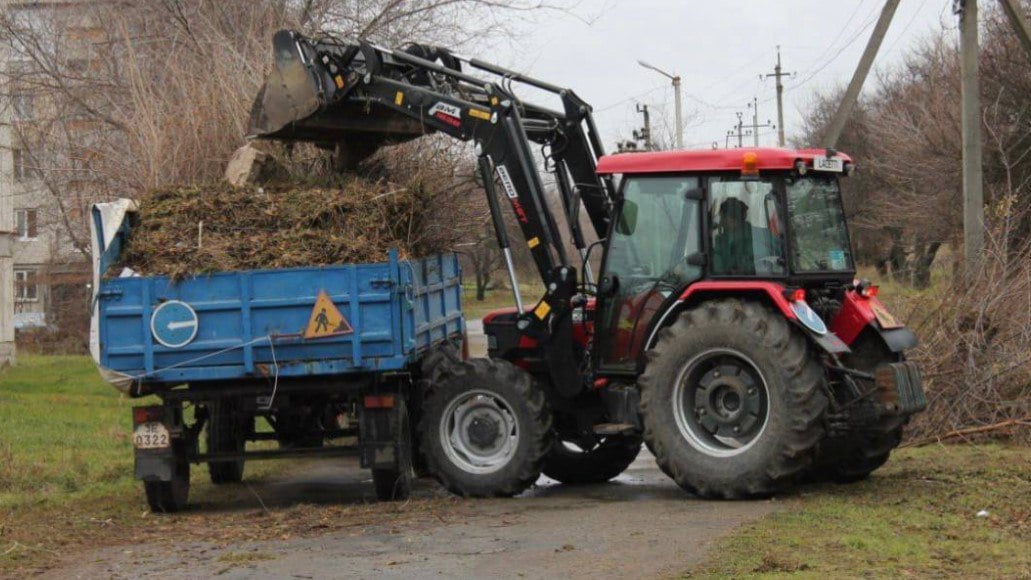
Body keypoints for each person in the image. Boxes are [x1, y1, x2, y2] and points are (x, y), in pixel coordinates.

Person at [712, 197, 756, 275]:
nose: (720, 222)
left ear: (734, 220)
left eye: (722, 217)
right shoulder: (721, 240)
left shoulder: (754, 238)